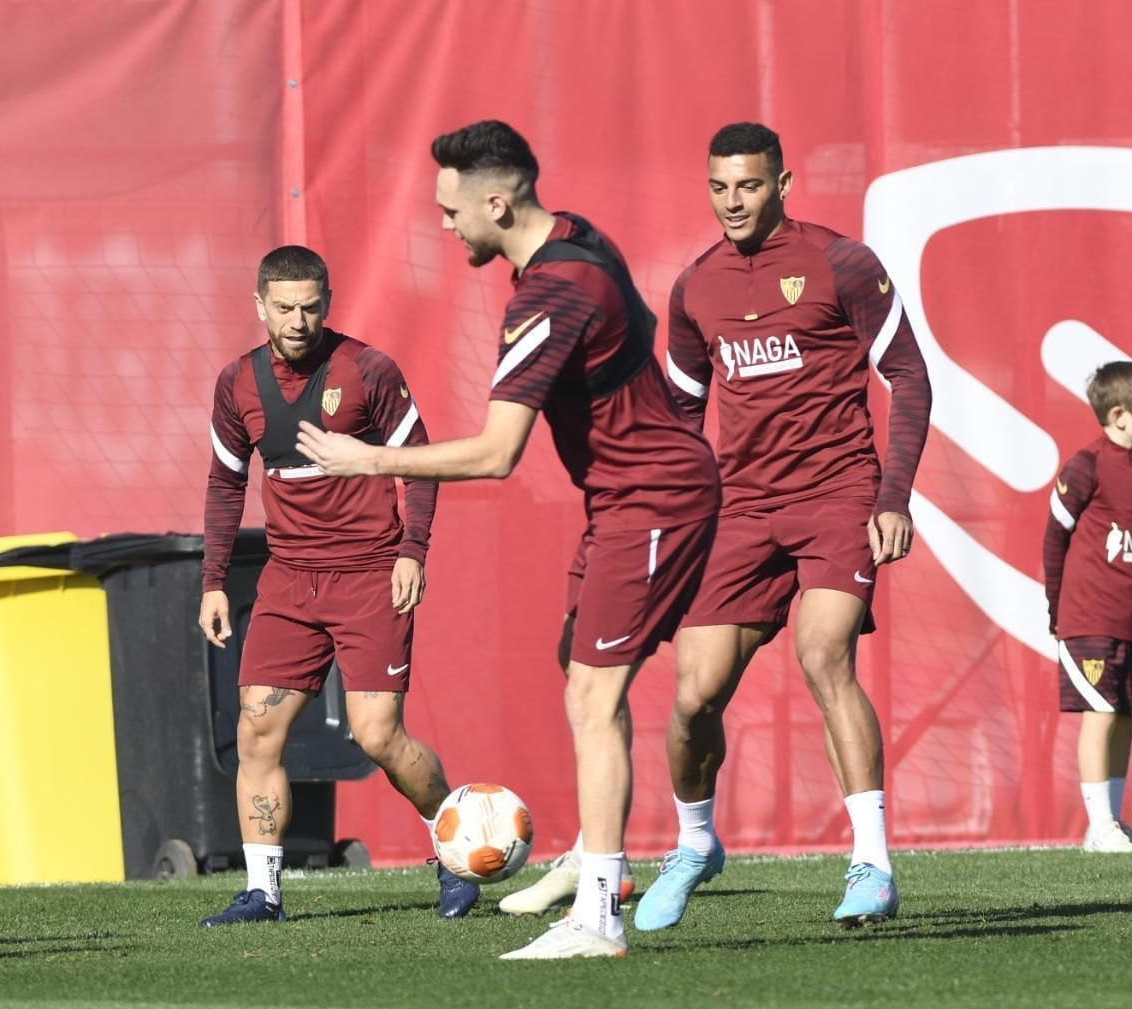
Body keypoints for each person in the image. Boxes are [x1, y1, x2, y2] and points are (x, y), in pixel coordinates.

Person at [296, 120, 721, 958]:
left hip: (655, 499)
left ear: (498, 201)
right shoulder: (574, 237)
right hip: (622, 499)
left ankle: (598, 912)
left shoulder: (550, 294)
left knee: (594, 698)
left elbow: (497, 453)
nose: (445, 225)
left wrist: (370, 458)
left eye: (452, 210)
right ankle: (602, 860)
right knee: (579, 665)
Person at [634, 120, 930, 929]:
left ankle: (872, 861)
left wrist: (893, 495)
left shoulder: (841, 262)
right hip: (741, 507)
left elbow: (909, 376)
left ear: (784, 183)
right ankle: (695, 843)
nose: (734, 201)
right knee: (694, 697)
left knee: (823, 653)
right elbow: (683, 419)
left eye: (750, 185)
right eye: (720, 187)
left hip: (839, 493)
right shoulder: (694, 287)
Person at [199, 245, 479, 925]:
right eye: (286, 307)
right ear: (260, 306)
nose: (299, 319)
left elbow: (420, 463)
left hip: (367, 577)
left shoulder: (368, 370)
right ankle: (262, 891)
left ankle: (459, 846)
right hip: (289, 583)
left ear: (328, 302)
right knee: (258, 731)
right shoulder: (237, 383)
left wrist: (413, 550)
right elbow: (225, 482)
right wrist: (212, 581)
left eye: (312, 305)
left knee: (377, 734)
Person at [1043, 361, 1132, 853]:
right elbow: (1054, 539)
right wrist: (1056, 608)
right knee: (1098, 715)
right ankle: (1099, 827)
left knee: (1126, 715)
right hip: (1087, 617)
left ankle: (1112, 823)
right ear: (1118, 415)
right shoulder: (1084, 466)